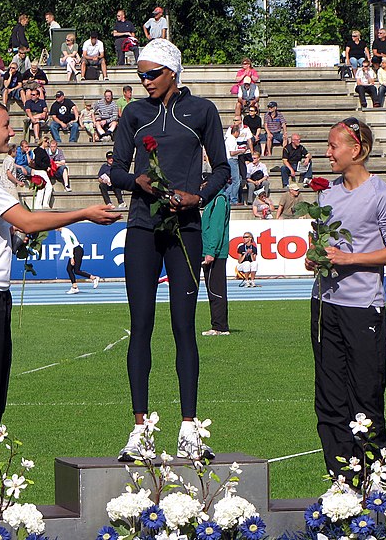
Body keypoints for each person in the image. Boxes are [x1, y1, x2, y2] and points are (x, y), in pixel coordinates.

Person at [0, 98, 119, 504]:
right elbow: (28, 220)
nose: (11, 131)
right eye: (4, 125)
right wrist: (83, 212)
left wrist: (4, 233)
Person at [109, 38, 229, 462]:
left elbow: (223, 170)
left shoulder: (202, 111)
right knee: (140, 326)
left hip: (186, 230)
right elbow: (114, 169)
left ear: (172, 72)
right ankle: (140, 431)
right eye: (140, 74)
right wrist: (134, 182)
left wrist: (197, 196)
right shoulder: (134, 114)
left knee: (183, 327)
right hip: (142, 228)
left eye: (151, 74)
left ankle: (189, 429)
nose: (144, 82)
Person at [306, 116, 386, 489]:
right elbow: (315, 246)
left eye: (334, 146)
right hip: (323, 305)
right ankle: (342, 479)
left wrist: (348, 259)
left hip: (362, 307)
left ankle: (376, 477)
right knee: (329, 396)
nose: (328, 153)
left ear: (357, 150)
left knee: (365, 393)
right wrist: (313, 257)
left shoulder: (382, 195)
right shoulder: (326, 195)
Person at [200, 181, 230, 336]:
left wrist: (211, 251)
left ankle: (219, 326)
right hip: (211, 250)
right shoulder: (214, 200)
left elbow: (216, 227)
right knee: (213, 288)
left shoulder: (219, 200)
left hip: (215, 252)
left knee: (215, 289)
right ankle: (218, 324)